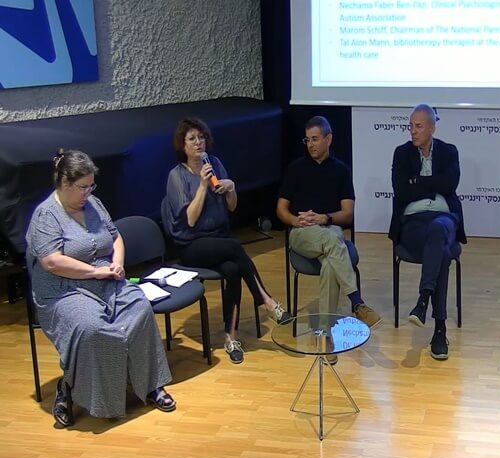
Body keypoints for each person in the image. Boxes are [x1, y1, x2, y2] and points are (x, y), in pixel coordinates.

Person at [25, 150, 175, 427]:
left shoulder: (93, 203)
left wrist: (117, 263)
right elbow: (52, 262)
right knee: (92, 327)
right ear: (65, 183)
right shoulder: (46, 215)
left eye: (91, 186)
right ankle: (69, 387)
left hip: (104, 279)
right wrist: (96, 271)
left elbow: (115, 237)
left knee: (139, 308)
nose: (88, 192)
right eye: (83, 187)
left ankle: (150, 384)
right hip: (63, 290)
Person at [162, 117, 290, 365]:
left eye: (201, 137)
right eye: (192, 139)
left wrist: (231, 188)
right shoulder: (176, 176)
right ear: (182, 145)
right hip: (192, 245)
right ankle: (266, 300)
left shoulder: (215, 163)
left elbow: (231, 207)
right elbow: (190, 220)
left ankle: (231, 337)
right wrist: (202, 185)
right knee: (234, 246)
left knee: (232, 269)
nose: (198, 143)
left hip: (218, 239)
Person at [276, 116, 381, 331]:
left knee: (330, 264)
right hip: (302, 232)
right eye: (307, 140)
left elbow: (348, 214)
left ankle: (324, 332)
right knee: (332, 239)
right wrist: (296, 221)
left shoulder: (341, 171)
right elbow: (281, 208)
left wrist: (325, 218)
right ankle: (357, 301)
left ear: (328, 139)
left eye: (315, 139)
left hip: (330, 230)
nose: (310, 145)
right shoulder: (296, 168)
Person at [389, 104, 467, 361]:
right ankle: (439, 329)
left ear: (432, 127)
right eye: (410, 126)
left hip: (444, 219)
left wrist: (417, 182)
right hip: (413, 222)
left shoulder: (449, 151)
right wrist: (433, 185)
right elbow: (401, 190)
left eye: (419, 126)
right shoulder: (402, 153)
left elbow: (450, 184)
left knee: (439, 232)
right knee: (441, 249)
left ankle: (423, 300)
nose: (412, 131)